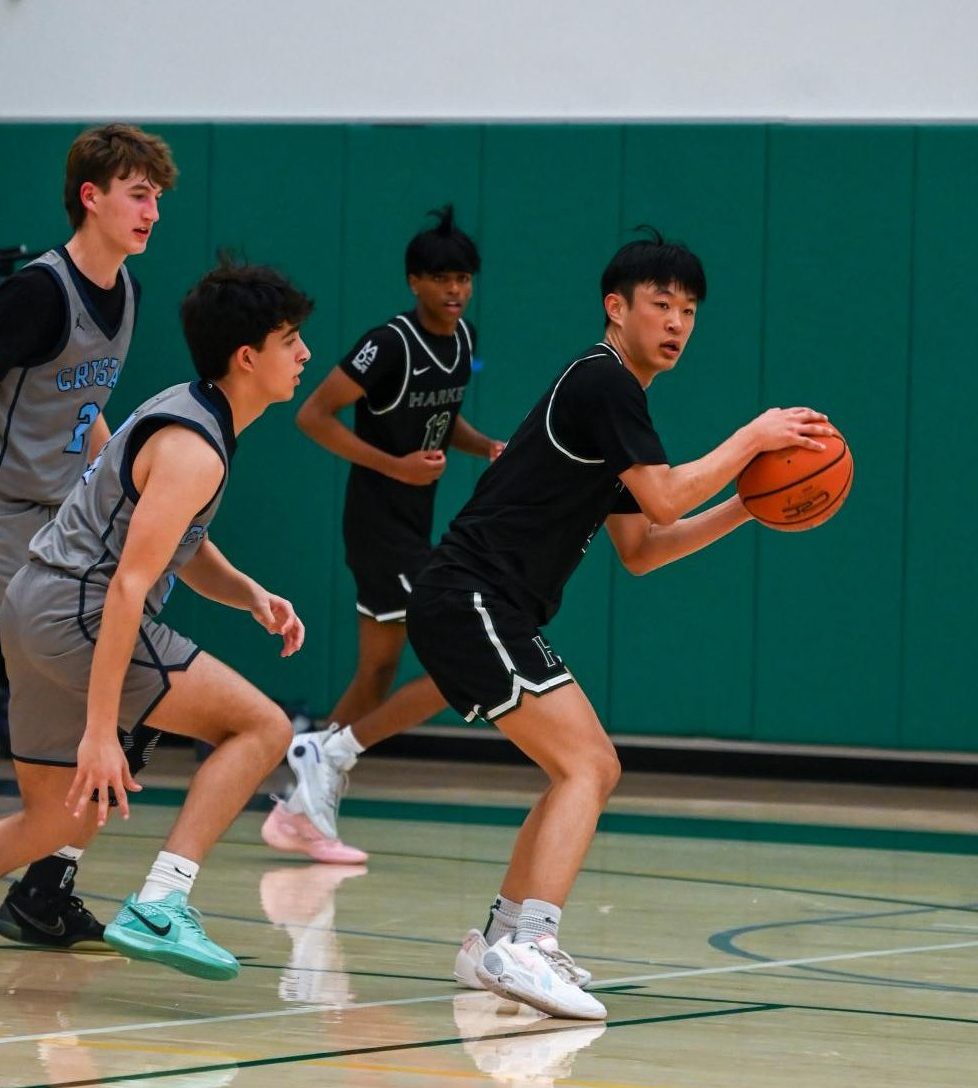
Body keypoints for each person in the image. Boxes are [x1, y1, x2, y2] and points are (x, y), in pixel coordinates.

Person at [402, 231, 832, 1019]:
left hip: (486, 603)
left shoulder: (617, 399)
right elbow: (668, 496)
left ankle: (496, 940)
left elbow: (644, 545)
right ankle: (528, 945)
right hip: (471, 595)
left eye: (690, 310)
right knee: (590, 766)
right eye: (661, 304)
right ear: (616, 307)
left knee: (579, 766)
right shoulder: (604, 383)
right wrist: (752, 439)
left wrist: (747, 505)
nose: (676, 322)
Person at [0, 260, 312, 980]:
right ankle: (163, 901)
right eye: (290, 340)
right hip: (77, 608)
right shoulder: (194, 448)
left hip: (32, 605)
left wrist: (250, 593)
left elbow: (179, 547)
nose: (302, 355)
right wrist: (104, 730)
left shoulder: (190, 409)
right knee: (262, 727)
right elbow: (128, 588)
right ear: (247, 357)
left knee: (57, 823)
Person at [260, 205, 503, 863]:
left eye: (465, 279)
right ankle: (325, 757)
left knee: (377, 671)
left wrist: (487, 449)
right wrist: (393, 465)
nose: (456, 291)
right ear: (414, 281)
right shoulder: (388, 344)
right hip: (377, 523)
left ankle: (295, 810)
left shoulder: (464, 341)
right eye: (443, 278)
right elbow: (313, 415)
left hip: (416, 521)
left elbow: (444, 419)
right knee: (460, 653)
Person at [0, 123, 177, 948]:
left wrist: (119, 482)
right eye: (138, 193)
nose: (150, 210)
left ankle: (46, 882)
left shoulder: (127, 291)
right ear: (92, 196)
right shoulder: (39, 292)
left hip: (58, 527)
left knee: (118, 701)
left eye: (157, 197)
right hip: (5, 520)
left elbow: (83, 405)